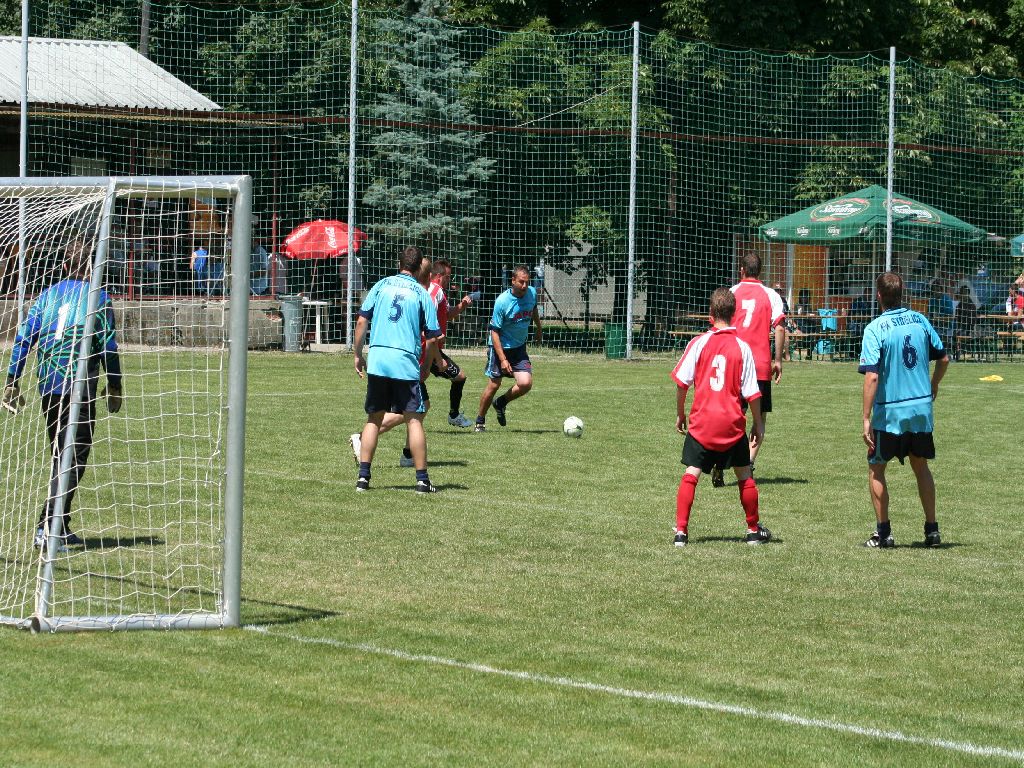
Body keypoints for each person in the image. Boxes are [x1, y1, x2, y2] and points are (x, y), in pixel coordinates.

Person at [2, 237, 123, 552]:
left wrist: (12, 379)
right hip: (78, 385)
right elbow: (108, 346)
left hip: (48, 386)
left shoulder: (46, 296)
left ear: (65, 265)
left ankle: (61, 526)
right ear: (92, 267)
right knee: (73, 457)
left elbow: (23, 337)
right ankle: (48, 527)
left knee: (61, 454)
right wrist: (115, 384)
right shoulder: (98, 298)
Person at [670, 287, 772, 547]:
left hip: (702, 423)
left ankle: (681, 532)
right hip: (731, 425)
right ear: (734, 314)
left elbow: (681, 383)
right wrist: (758, 423)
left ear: (710, 314)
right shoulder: (742, 348)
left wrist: (680, 413)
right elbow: (752, 393)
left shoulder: (698, 343)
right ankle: (752, 530)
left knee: (691, 473)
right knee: (744, 475)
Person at [858, 271, 949, 549]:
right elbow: (944, 358)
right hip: (921, 410)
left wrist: (865, 417)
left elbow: (872, 376)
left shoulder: (875, 328)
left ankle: (884, 534)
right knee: (920, 466)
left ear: (878, 296)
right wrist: (933, 385)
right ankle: (932, 531)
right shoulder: (921, 321)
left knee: (876, 468)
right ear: (902, 293)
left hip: (890, 414)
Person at [352, 246, 441, 494]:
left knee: (374, 418)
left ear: (398, 263)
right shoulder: (422, 294)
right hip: (405, 361)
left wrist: (358, 354)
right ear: (419, 267)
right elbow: (433, 338)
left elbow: (361, 320)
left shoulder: (381, 285)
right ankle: (422, 481)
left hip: (379, 359)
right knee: (413, 419)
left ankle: (363, 479)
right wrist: (426, 366)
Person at [716, 253, 785, 486]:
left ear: (742, 270)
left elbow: (720, 325)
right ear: (760, 271)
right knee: (759, 419)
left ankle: (720, 462)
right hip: (760, 365)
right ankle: (749, 463)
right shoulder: (771, 295)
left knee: (730, 416)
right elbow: (780, 328)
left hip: (734, 362)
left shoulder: (732, 292)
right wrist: (778, 360)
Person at [475, 265, 542, 432]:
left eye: (527, 282)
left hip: (519, 348)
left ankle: (501, 402)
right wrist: (503, 359)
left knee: (525, 383)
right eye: (521, 282)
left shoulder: (532, 293)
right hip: (500, 347)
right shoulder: (502, 302)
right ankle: (480, 421)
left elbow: (533, 308)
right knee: (494, 384)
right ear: (513, 280)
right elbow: (494, 332)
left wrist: (539, 328)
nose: (525, 286)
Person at [427, 258, 475, 428]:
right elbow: (427, 314)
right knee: (459, 377)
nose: (449, 281)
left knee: (416, 383)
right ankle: (453, 415)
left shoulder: (439, 292)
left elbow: (447, 315)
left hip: (431, 347)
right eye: (448, 277)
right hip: (428, 348)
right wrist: (434, 336)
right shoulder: (435, 290)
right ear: (439, 276)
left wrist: (462, 305)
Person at [951, 286, 979, 361]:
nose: (963, 295)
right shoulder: (959, 305)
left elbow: (973, 321)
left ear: (968, 294)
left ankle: (960, 352)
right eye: (962, 293)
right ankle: (955, 354)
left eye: (964, 293)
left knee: (958, 334)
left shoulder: (972, 305)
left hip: (970, 329)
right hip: (961, 328)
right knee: (953, 334)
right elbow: (957, 318)